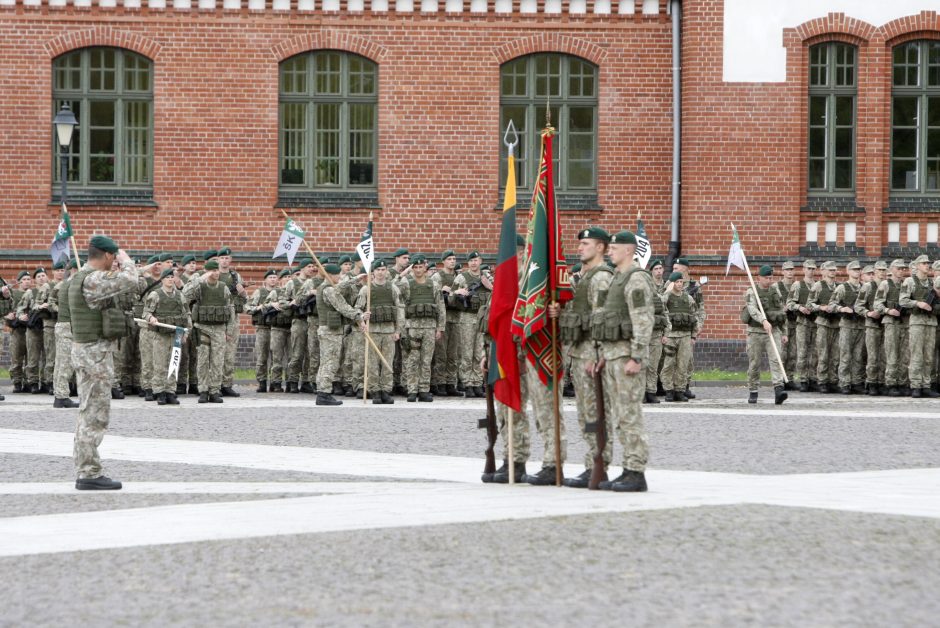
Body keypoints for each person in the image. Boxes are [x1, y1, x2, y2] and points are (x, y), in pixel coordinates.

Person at [69, 235, 139, 490]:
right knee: (94, 414)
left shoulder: (81, 277)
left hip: (88, 352)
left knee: (88, 412)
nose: (117, 260)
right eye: (115, 256)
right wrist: (126, 259)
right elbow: (130, 280)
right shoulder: (93, 279)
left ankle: (86, 469)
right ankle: (89, 473)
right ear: (108, 256)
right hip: (93, 355)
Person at [589, 230, 654, 492]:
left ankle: (636, 470)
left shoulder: (636, 279)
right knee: (619, 415)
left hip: (627, 356)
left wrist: (637, 356)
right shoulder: (617, 278)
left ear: (628, 250)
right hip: (614, 355)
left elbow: (643, 319)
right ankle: (627, 468)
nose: (610, 252)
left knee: (630, 415)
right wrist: (603, 355)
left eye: (614, 248)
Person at [555, 227, 613, 489]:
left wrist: (599, 354)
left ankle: (598, 465)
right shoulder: (587, 276)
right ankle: (593, 462)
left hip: (591, 353)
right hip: (580, 352)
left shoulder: (600, 278)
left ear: (600, 247)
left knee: (596, 412)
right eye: (579, 243)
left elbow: (602, 317)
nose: (579, 248)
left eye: (586, 243)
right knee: (586, 413)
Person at [315, 264, 369, 406]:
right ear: (331, 276)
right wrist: (359, 316)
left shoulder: (325, 287)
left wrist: (354, 280)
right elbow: (342, 307)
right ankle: (324, 394)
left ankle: (322, 391)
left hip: (328, 331)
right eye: (338, 274)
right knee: (330, 363)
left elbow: (340, 286)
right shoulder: (329, 290)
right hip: (330, 332)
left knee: (326, 362)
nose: (340, 277)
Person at [182, 259, 233, 403]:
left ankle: (214, 390)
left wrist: (229, 330)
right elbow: (185, 295)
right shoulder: (199, 286)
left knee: (217, 361)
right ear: (207, 271)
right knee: (203, 361)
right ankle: (203, 390)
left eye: (217, 270)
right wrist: (200, 279)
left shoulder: (223, 287)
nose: (216, 273)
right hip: (202, 328)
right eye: (213, 270)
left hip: (219, 328)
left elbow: (230, 309)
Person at [397, 254, 445, 402]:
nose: (418, 270)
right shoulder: (406, 283)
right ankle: (412, 389)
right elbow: (392, 289)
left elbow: (440, 307)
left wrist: (440, 328)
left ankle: (424, 389)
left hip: (430, 327)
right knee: (412, 360)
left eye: (420, 267)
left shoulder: (434, 285)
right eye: (415, 267)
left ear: (425, 267)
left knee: (426, 360)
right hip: (412, 327)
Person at [355, 260, 403, 404]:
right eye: (378, 270)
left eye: (383, 269)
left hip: (388, 331)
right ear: (373, 272)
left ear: (387, 271)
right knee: (373, 363)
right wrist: (363, 319)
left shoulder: (393, 288)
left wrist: (398, 330)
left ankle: (386, 390)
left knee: (387, 361)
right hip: (372, 331)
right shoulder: (366, 290)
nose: (381, 272)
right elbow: (357, 309)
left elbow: (400, 309)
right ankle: (374, 390)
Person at [143, 267, 192, 405]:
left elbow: (187, 314)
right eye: (167, 277)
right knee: (160, 364)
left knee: (174, 363)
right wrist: (151, 318)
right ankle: (159, 392)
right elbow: (146, 313)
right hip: (161, 335)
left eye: (172, 277)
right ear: (162, 280)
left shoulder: (180, 296)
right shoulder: (155, 295)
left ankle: (171, 391)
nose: (170, 280)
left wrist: (186, 331)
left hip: (176, 334)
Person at [743, 265, 788, 404]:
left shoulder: (775, 291)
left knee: (776, 359)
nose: (769, 280)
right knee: (755, 362)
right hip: (756, 332)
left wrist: (784, 331)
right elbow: (752, 309)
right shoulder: (752, 292)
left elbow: (781, 311)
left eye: (770, 278)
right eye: (766, 278)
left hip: (773, 331)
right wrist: (763, 320)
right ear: (759, 278)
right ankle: (753, 390)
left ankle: (778, 390)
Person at [450, 251, 492, 397]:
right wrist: (457, 292)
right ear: (468, 263)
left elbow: (499, 295)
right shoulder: (462, 277)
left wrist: (490, 287)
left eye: (476, 260)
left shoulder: (487, 277)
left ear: (480, 261)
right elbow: (450, 297)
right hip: (467, 318)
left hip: (482, 319)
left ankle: (478, 383)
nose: (474, 263)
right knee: (467, 352)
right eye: (471, 261)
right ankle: (467, 383)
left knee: (479, 352)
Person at [900, 255, 939, 398]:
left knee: (929, 356)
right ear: (916, 266)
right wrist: (918, 303)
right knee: (916, 354)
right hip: (917, 321)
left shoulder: (932, 283)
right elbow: (902, 300)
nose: (927, 265)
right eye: (923, 263)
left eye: (928, 263)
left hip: (931, 322)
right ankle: (915, 385)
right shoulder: (910, 281)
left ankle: (926, 385)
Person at [874, 259, 911, 396]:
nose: (901, 271)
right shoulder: (885, 284)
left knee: (905, 355)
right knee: (891, 354)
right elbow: (877, 304)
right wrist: (888, 311)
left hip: (905, 323)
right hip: (891, 322)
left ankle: (902, 383)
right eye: (899, 268)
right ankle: (890, 383)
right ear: (892, 269)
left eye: (903, 269)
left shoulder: (906, 284)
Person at [660, 272, 699, 402]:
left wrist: (693, 335)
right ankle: (669, 390)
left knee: (683, 365)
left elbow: (694, 317)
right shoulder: (666, 297)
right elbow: (660, 311)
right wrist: (663, 334)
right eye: (677, 282)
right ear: (672, 283)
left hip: (685, 336)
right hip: (671, 336)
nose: (680, 284)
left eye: (681, 282)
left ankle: (679, 390)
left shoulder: (688, 298)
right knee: (669, 364)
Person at [829, 260, 865, 394]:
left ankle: (856, 382)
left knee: (858, 355)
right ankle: (844, 382)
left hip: (861, 325)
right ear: (848, 271)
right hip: (847, 325)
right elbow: (831, 305)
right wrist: (842, 308)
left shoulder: (864, 287)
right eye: (854, 269)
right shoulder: (842, 288)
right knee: (845, 354)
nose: (857, 271)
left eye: (858, 269)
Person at [671, 258, 704, 399]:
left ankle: (685, 386)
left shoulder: (694, 285)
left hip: (688, 329)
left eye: (676, 268)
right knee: (671, 361)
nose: (674, 271)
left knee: (688, 360)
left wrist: (698, 327)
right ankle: (672, 388)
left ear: (685, 269)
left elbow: (700, 309)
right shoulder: (670, 283)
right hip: (673, 329)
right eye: (673, 268)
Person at [216, 246, 246, 398]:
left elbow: (243, 299)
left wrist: (242, 291)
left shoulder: (236, 276)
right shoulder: (214, 275)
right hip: (216, 317)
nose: (225, 261)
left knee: (230, 353)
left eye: (227, 258)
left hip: (232, 317)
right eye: (222, 258)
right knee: (215, 353)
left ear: (230, 260)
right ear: (218, 260)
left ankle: (226, 384)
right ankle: (214, 384)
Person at [432, 250, 462, 396]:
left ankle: (451, 383)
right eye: (449, 259)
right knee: (441, 353)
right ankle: (440, 383)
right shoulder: (437, 276)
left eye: (454, 259)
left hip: (456, 317)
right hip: (443, 318)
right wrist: (442, 290)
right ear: (443, 261)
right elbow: (434, 295)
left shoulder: (459, 276)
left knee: (453, 353)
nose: (452, 261)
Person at [283, 258, 315, 393]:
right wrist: (291, 303)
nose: (312, 269)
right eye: (309, 266)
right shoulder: (292, 283)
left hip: (312, 320)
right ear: (302, 268)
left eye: (313, 266)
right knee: (297, 353)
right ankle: (293, 380)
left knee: (310, 352)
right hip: (298, 320)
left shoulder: (314, 282)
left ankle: (307, 380)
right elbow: (283, 300)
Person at [854, 262, 887, 395]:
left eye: (884, 270)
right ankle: (872, 382)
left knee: (885, 356)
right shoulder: (868, 286)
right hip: (872, 325)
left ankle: (882, 381)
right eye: (879, 270)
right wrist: (868, 313)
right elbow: (858, 306)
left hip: (886, 324)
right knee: (872, 356)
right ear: (874, 271)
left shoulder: (888, 285)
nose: (882, 272)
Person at [808, 261, 840, 393]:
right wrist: (821, 307)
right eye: (830, 270)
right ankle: (821, 380)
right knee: (823, 353)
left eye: (834, 270)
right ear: (824, 271)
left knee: (835, 354)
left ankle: (832, 380)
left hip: (836, 323)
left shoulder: (839, 287)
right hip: (823, 323)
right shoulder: (818, 286)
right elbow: (809, 304)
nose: (832, 272)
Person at [50, 258, 79, 408]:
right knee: (65, 363)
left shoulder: (65, 284)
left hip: (63, 325)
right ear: (74, 270)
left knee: (61, 362)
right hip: (67, 326)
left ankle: (59, 395)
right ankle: (61, 396)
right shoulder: (73, 284)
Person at [787, 259, 818, 391]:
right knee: (802, 351)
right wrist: (800, 307)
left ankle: (813, 378)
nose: (810, 271)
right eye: (808, 268)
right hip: (802, 322)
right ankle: (803, 379)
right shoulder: (798, 285)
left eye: (813, 269)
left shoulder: (818, 285)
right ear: (803, 269)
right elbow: (789, 303)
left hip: (816, 322)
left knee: (815, 352)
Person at [246, 270, 278, 392]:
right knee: (262, 357)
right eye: (270, 277)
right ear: (265, 279)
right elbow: (248, 308)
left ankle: (275, 382)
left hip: (276, 328)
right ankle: (262, 382)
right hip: (263, 328)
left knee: (276, 357)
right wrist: (260, 307)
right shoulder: (259, 292)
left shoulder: (280, 292)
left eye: (275, 277)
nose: (273, 279)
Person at [265, 269, 294, 391]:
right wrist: (271, 305)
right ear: (280, 279)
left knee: (292, 357)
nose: (288, 278)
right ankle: (276, 382)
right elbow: (264, 306)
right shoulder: (275, 292)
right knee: (277, 357)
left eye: (290, 276)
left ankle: (290, 382)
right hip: (277, 328)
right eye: (285, 276)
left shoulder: (294, 292)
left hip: (291, 328)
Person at [644, 259, 667, 404]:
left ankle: (651, 391)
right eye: (656, 268)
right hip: (643, 334)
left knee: (653, 365)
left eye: (660, 268)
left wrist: (666, 333)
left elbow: (665, 315)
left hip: (657, 334)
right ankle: (641, 392)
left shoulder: (660, 296)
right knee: (641, 364)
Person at [775, 261, 798, 389]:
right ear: (783, 271)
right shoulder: (777, 286)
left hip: (795, 322)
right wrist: (780, 309)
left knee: (793, 352)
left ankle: (789, 378)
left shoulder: (796, 286)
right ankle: (780, 379)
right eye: (787, 270)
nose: (789, 272)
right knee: (782, 352)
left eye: (791, 270)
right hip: (782, 323)